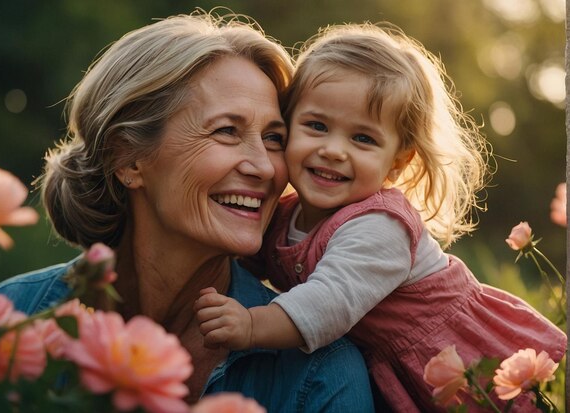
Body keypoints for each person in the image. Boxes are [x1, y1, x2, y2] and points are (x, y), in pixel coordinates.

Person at [0, 11, 375, 411]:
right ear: (129, 159)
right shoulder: (0, 327)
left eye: (274, 138)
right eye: (227, 131)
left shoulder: (320, 373)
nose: (264, 167)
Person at [194, 22, 567, 412]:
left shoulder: (380, 225)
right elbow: (244, 259)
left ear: (397, 161)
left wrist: (251, 326)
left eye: (363, 139)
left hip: (462, 360)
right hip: (398, 367)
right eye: (317, 126)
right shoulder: (284, 216)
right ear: (288, 125)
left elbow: (328, 302)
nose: (334, 150)